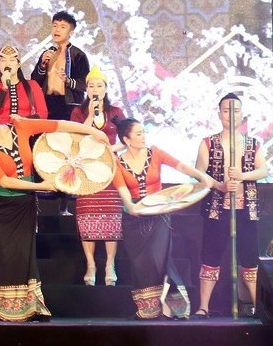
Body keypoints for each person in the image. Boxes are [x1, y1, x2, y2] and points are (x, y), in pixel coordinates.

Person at [0, 96, 109, 322]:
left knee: (25, 254)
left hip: (24, 203)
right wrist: (41, 186)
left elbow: (58, 125)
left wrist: (92, 131)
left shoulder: (19, 125)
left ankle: (32, 306)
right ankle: (6, 308)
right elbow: (4, 181)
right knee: (6, 256)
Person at [112, 118, 218, 320]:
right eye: (139, 134)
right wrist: (131, 206)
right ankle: (148, 309)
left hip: (159, 212)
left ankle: (173, 307)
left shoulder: (155, 153)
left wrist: (201, 177)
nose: (144, 137)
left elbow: (181, 166)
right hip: (134, 218)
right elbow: (122, 189)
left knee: (159, 259)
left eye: (144, 132)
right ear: (127, 139)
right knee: (141, 264)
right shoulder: (117, 162)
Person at [193, 93, 268, 318]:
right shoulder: (208, 143)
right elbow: (199, 173)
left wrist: (242, 176)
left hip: (246, 208)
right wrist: (220, 185)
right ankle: (203, 306)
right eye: (226, 110)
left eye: (235, 110)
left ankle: (258, 306)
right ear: (219, 114)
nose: (231, 115)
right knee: (210, 256)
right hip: (217, 208)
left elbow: (263, 170)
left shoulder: (253, 143)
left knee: (250, 258)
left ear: (242, 114)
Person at [69, 66, 126, 287]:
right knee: (87, 215)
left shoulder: (116, 112)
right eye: (91, 86)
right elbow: (75, 136)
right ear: (86, 89)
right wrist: (91, 116)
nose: (95, 89)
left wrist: (111, 149)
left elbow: (127, 139)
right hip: (86, 168)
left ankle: (110, 264)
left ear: (105, 89)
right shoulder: (79, 112)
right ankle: (91, 264)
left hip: (110, 168)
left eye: (99, 85)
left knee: (111, 215)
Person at [30, 11, 89, 215]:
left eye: (62, 27)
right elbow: (34, 81)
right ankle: (43, 195)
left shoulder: (78, 55)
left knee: (68, 151)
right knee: (46, 148)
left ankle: (65, 203)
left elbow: (85, 84)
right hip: (47, 105)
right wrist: (42, 65)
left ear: (70, 32)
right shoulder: (47, 53)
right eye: (55, 25)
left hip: (68, 106)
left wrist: (67, 81)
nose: (57, 30)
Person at [0, 45, 47, 124]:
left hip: (25, 127)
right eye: (3, 60)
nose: (7, 64)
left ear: (18, 64)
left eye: (12, 60)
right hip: (1, 129)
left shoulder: (32, 85)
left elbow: (43, 113)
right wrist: (4, 88)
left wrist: (23, 120)